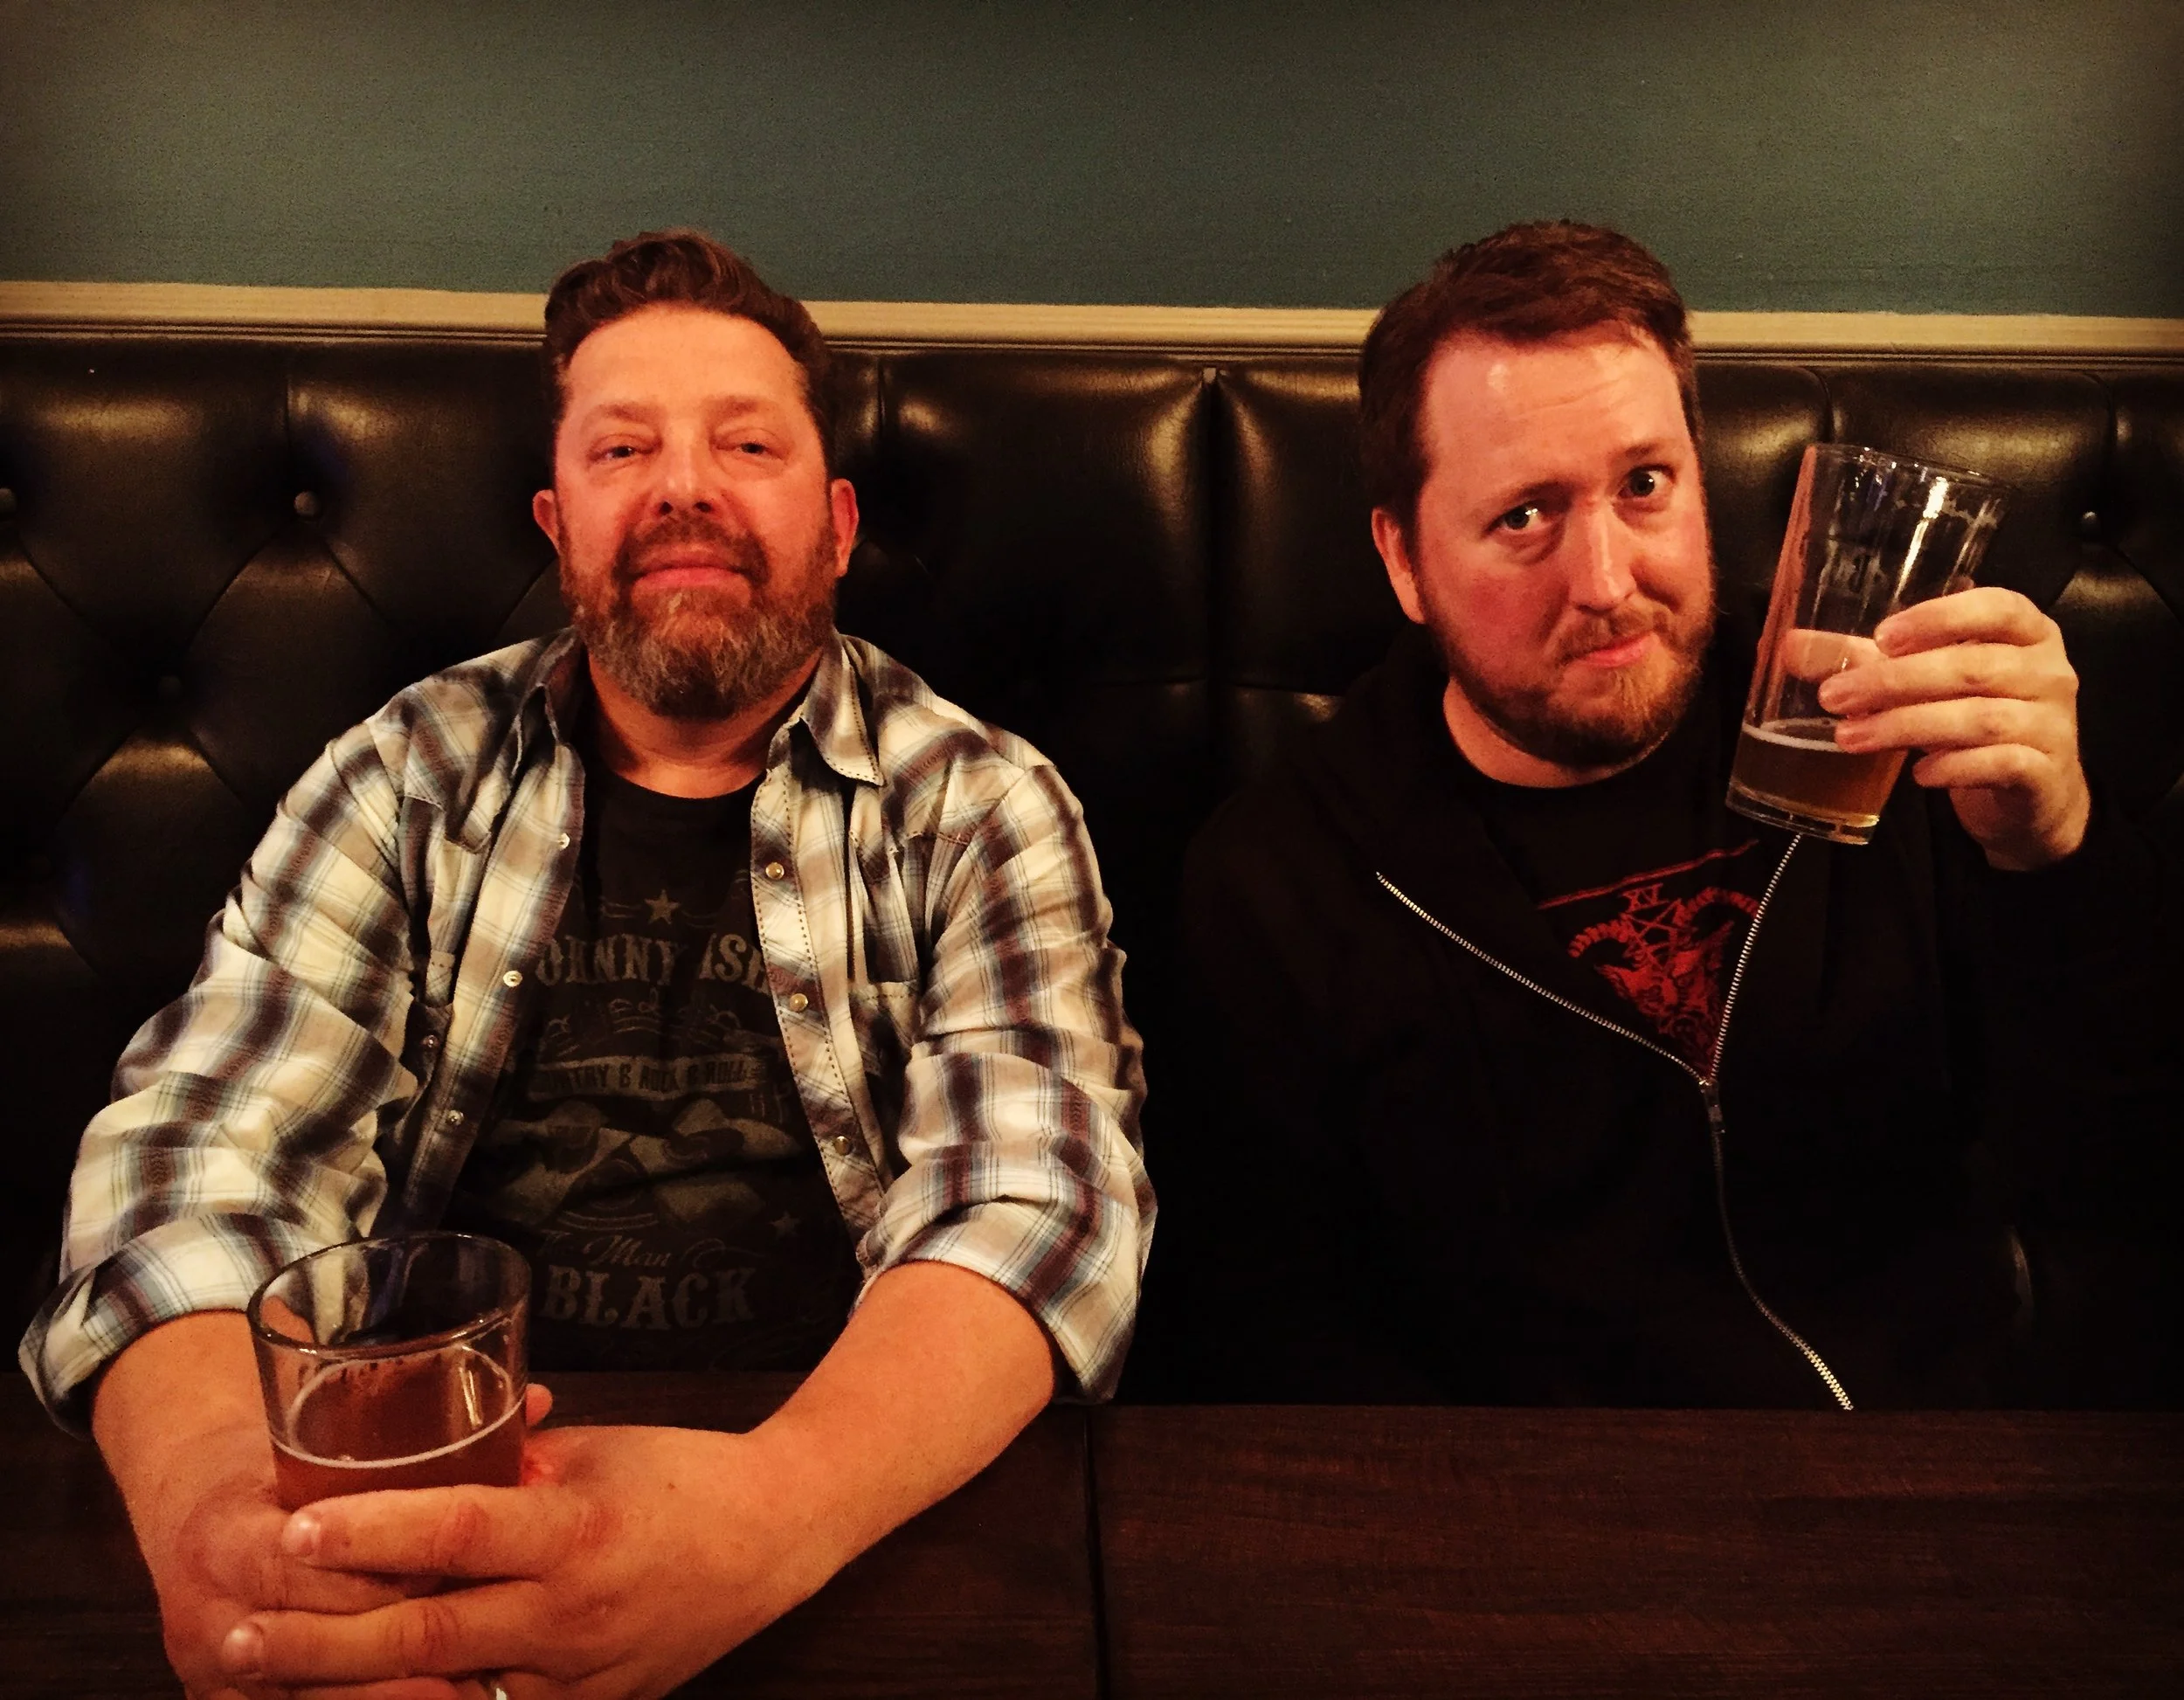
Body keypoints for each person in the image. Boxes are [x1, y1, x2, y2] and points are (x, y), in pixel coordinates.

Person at [19, 230, 1151, 1698]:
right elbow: (196, 1155)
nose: (684, 485)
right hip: (421, 1481)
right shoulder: (408, 774)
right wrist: (228, 1527)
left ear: (837, 523)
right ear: (559, 527)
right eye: (624, 449)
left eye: (747, 442)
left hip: (843, 1488)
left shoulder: (979, 803)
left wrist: (768, 1513)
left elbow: (1039, 1205)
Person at [1154, 220, 2179, 1410]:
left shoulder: (1891, 724)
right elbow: (1268, 1339)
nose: (1606, 581)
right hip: (1548, 1491)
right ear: (1404, 559)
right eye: (1524, 515)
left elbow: (2125, 1167)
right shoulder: (1281, 881)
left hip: (1930, 1447)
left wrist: (2058, 860)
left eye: (1644, 485)